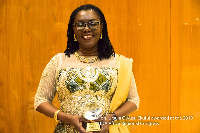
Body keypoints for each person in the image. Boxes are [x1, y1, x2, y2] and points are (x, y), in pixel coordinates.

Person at [34, 4, 140, 133]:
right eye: (80, 24)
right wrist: (67, 118)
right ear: (73, 29)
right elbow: (40, 100)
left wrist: (110, 118)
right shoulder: (59, 61)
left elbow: (133, 100)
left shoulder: (119, 63)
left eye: (93, 23)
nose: (86, 29)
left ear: (101, 27)